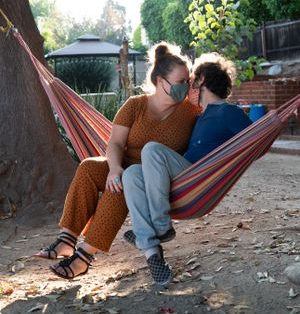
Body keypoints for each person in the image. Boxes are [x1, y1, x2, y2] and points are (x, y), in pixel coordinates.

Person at [34, 42, 200, 279]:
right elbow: (115, 144)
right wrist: (113, 168)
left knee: (119, 185)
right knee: (90, 167)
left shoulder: (190, 112)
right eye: (181, 82)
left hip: (153, 177)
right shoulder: (135, 105)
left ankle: (83, 257)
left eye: (189, 81)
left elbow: (214, 111)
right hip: (124, 165)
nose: (186, 87)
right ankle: (67, 239)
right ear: (161, 81)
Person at [122, 53, 252, 286]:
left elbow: (256, 136)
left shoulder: (227, 111)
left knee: (152, 150)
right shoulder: (201, 115)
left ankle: (159, 226)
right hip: (181, 180)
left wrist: (275, 122)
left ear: (201, 80)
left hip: (197, 177)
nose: (189, 86)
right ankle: (150, 248)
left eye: (191, 80)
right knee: (131, 174)